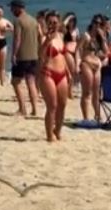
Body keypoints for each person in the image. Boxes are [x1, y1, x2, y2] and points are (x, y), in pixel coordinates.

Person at [37, 10, 69, 142]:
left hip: (62, 74)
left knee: (63, 104)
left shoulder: (61, 36)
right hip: (48, 73)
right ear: (46, 23)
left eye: (55, 22)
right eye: (50, 22)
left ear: (59, 23)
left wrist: (69, 73)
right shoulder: (44, 38)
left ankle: (57, 131)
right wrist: (47, 41)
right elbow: (40, 54)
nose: (53, 25)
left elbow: (63, 57)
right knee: (52, 106)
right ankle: (49, 135)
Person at [8, 0, 41, 117]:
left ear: (18, 7)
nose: (11, 10)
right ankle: (35, 109)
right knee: (31, 82)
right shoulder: (33, 20)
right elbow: (40, 36)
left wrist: (14, 54)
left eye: (12, 8)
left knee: (15, 82)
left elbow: (17, 39)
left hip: (22, 56)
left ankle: (22, 109)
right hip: (33, 56)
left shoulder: (18, 21)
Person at [78, 15, 108, 123]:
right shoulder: (86, 35)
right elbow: (78, 49)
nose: (97, 25)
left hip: (97, 65)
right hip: (87, 64)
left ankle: (97, 116)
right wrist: (78, 63)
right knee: (87, 92)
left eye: (100, 24)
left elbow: (106, 52)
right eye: (95, 22)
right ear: (92, 23)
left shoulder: (100, 38)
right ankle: (86, 118)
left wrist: (103, 38)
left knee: (96, 94)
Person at [62, 12, 79, 99]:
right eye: (70, 20)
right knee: (70, 72)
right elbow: (62, 25)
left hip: (75, 52)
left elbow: (78, 42)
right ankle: (69, 91)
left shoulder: (76, 30)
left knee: (74, 72)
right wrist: (67, 18)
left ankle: (69, 90)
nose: (71, 22)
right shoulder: (65, 30)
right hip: (68, 52)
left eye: (72, 20)